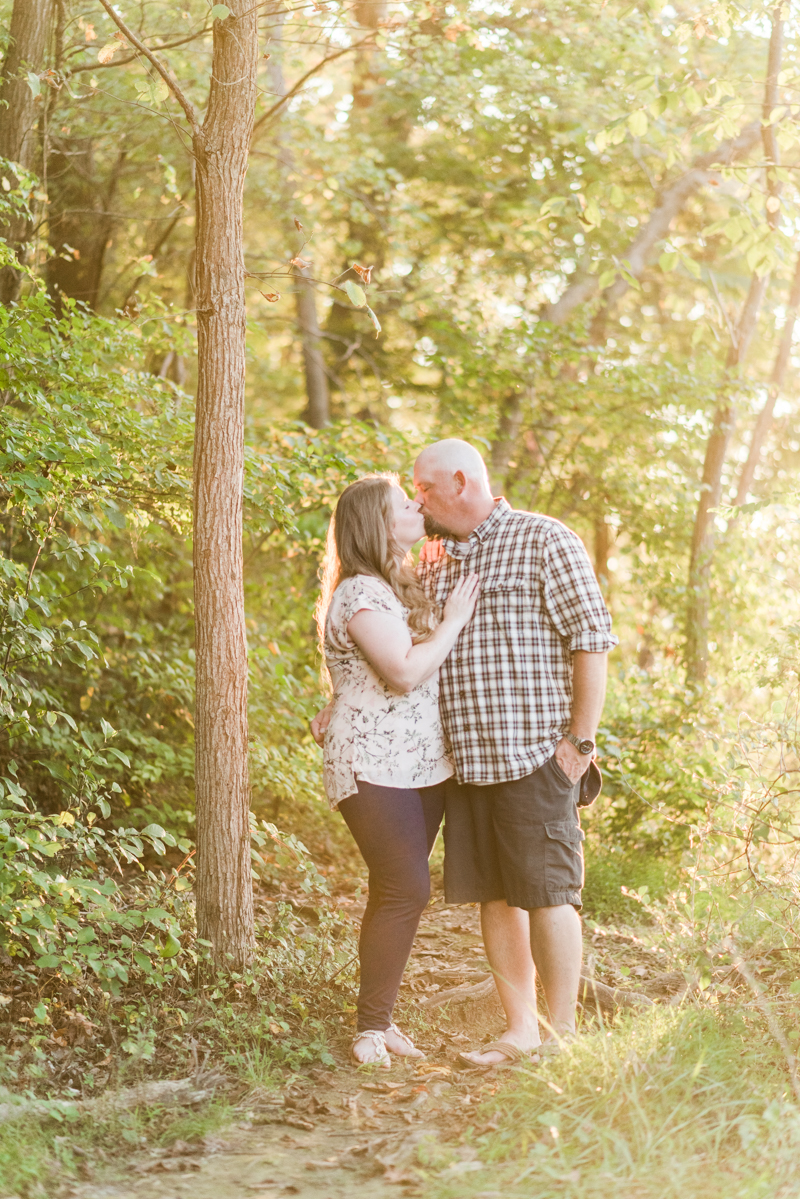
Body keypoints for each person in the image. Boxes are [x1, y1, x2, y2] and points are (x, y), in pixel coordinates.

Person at [412, 439, 616, 1067]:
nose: (416, 499)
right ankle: (520, 1028)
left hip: (536, 757)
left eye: (422, 488)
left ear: (459, 481)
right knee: (494, 898)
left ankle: (563, 1037)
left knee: (550, 893)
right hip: (466, 765)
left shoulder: (543, 540)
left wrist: (578, 743)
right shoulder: (433, 560)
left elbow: (592, 639)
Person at [316, 473, 480, 1067]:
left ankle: (380, 1024)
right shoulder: (360, 591)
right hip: (370, 758)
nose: (417, 507)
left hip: (420, 760)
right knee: (405, 885)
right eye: (403, 504)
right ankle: (368, 1029)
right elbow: (404, 673)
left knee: (400, 890)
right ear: (378, 525)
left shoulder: (393, 585)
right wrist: (455, 620)